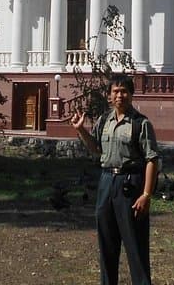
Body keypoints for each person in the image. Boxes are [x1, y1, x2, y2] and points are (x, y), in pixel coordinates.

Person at [71, 73, 161, 285]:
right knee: (107, 243)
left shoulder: (141, 123)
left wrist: (146, 195)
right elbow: (96, 149)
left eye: (124, 91)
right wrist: (81, 130)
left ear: (131, 94)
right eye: (115, 92)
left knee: (135, 245)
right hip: (106, 183)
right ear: (109, 96)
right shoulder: (105, 120)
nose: (120, 95)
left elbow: (152, 159)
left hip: (130, 184)